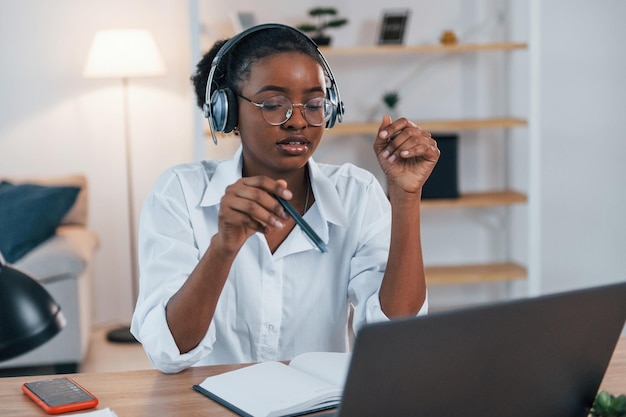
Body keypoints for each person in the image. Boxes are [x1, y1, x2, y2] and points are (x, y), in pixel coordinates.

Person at [130, 24, 439, 374]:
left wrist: (406, 196)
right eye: (274, 104)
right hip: (208, 406)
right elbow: (169, 352)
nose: (298, 122)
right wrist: (223, 248)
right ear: (226, 111)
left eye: (314, 104)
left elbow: (394, 336)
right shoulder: (180, 193)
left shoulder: (358, 193)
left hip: (318, 406)